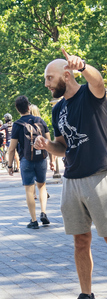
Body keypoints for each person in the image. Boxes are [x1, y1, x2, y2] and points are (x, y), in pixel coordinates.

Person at [35, 49, 107, 299]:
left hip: (99, 177)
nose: (46, 84)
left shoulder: (91, 96)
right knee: (80, 241)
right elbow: (63, 146)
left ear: (66, 75)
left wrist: (83, 66)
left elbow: (98, 80)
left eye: (49, 78)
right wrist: (48, 146)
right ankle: (87, 296)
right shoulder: (58, 109)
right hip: (72, 181)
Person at [7, 95, 51, 229]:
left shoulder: (17, 124)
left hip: (26, 160)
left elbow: (11, 148)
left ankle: (34, 220)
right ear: (28, 106)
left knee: (29, 190)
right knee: (42, 186)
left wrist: (10, 166)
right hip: (41, 159)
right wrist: (53, 159)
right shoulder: (40, 120)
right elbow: (49, 141)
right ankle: (44, 212)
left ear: (17, 109)